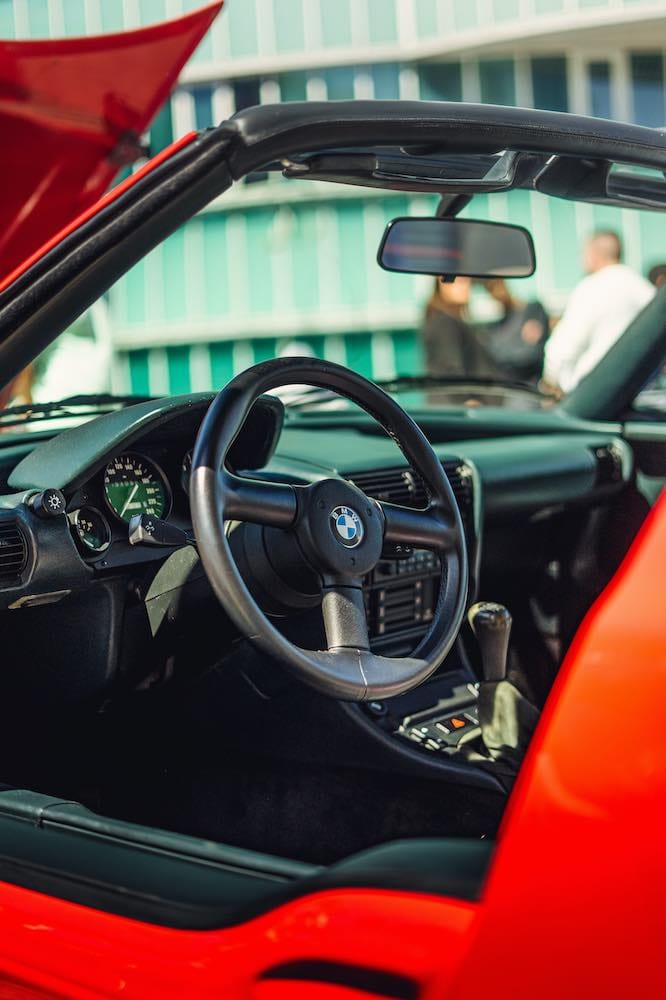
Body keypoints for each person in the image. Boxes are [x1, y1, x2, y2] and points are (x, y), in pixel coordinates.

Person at [542, 230, 654, 394]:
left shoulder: (590, 287)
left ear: (593, 254)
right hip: (642, 390)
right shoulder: (643, 288)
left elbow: (564, 346)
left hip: (593, 393)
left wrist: (549, 380)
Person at [421, 276, 499, 379]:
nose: (466, 284)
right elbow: (451, 375)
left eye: (467, 280)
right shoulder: (444, 324)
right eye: (459, 280)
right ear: (441, 282)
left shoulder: (451, 321)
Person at [477, 278, 550, 386]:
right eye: (491, 288)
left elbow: (528, 354)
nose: (497, 292)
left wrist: (500, 357)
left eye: (497, 284)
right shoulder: (496, 328)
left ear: (503, 283)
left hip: (528, 387)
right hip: (505, 387)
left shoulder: (532, 311)